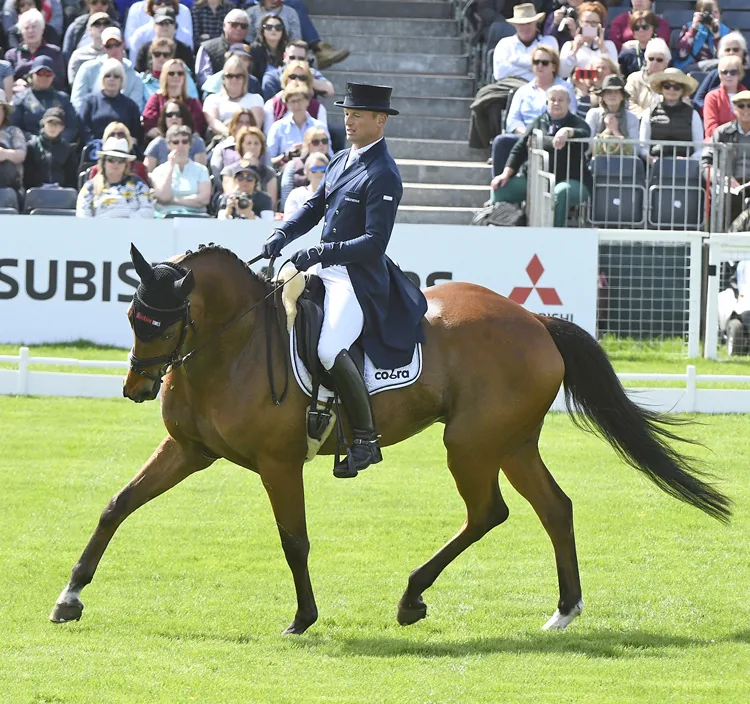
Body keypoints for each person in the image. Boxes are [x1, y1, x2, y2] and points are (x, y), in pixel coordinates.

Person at [261, 82, 428, 478]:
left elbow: (373, 243)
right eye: (346, 113)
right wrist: (281, 234)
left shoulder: (384, 173)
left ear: (380, 120)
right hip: (325, 269)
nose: (348, 120)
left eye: (357, 115)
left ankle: (366, 440)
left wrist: (318, 253)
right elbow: (314, 207)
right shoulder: (340, 159)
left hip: (355, 279)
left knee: (328, 348)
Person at [490, 85, 592, 228]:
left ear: (568, 103)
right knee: (500, 188)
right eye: (553, 100)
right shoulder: (537, 122)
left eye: (561, 100)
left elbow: (584, 133)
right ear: (546, 103)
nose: (556, 103)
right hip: (535, 180)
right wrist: (505, 174)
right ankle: (498, 229)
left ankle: (554, 237)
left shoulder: (577, 123)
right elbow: (519, 149)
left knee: (559, 193)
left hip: (571, 180)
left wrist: (567, 132)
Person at [491, 46, 576, 178]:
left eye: (545, 63)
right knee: (501, 142)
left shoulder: (566, 88)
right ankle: (501, 192)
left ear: (554, 67)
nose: (540, 66)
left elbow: (572, 114)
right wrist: (527, 134)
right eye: (536, 62)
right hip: (526, 137)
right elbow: (513, 121)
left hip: (553, 137)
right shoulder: (522, 91)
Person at [71, 27, 146, 112]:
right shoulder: (87, 68)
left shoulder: (135, 77)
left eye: (117, 44)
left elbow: (135, 109)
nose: (114, 49)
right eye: (109, 46)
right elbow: (77, 101)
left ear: (123, 44)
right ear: (103, 48)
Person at [76, 136, 154, 217]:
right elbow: (83, 215)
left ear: (126, 164)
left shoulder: (138, 184)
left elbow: (148, 209)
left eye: (121, 160)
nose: (116, 164)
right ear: (103, 162)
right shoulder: (90, 187)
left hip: (132, 228)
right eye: (111, 159)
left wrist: (127, 223)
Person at [702, 90, 750, 223]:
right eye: (741, 106)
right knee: (726, 199)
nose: (746, 109)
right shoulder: (722, 133)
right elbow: (706, 163)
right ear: (734, 109)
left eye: (749, 105)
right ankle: (719, 240)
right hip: (730, 185)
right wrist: (721, 178)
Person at [639, 67, 702, 161]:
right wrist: (650, 158)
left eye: (677, 87)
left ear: (682, 90)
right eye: (667, 86)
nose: (671, 90)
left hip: (685, 166)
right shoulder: (649, 112)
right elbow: (643, 145)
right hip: (656, 164)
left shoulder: (693, 114)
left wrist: (688, 160)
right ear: (661, 88)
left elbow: (699, 147)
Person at [77, 57, 143, 145]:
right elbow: (83, 128)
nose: (112, 79)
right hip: (94, 149)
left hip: (122, 150)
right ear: (102, 79)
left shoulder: (131, 106)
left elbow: (135, 134)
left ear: (122, 80)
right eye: (107, 75)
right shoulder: (89, 102)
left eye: (116, 76)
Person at [266, 80, 330, 168]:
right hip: (286, 173)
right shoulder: (278, 127)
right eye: (292, 101)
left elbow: (330, 157)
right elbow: (268, 161)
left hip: (316, 171)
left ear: (308, 101)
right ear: (287, 104)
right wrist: (286, 156)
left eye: (300, 100)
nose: (296, 105)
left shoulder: (320, 127)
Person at [12, 55, 76, 142]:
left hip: (59, 147)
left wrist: (58, 141)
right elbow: (15, 127)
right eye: (40, 73)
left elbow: (72, 126)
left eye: (48, 74)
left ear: (53, 76)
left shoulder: (63, 99)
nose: (43, 77)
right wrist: (37, 142)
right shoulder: (19, 99)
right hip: (29, 147)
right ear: (31, 75)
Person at [150, 123, 211, 216]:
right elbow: (163, 198)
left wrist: (174, 200)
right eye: (175, 142)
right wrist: (171, 166)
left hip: (196, 216)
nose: (180, 145)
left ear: (190, 144)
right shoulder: (159, 171)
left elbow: (204, 199)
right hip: (166, 216)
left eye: (185, 141)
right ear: (169, 145)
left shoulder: (201, 170)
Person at [211, 122, 276, 204]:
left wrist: (254, 169)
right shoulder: (229, 171)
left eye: (256, 143)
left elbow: (271, 203)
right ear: (241, 146)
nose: (252, 147)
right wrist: (245, 166)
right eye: (249, 143)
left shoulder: (269, 173)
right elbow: (230, 194)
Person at [493, 4, 558, 83]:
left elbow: (550, 71)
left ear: (536, 23)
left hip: (541, 90)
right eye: (521, 24)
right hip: (507, 90)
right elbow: (499, 74)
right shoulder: (504, 44)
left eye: (529, 23)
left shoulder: (549, 41)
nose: (525, 27)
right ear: (515, 25)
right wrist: (534, 67)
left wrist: (514, 61)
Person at [202, 54, 264, 137]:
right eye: (230, 76)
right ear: (223, 78)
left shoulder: (256, 99)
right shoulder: (212, 99)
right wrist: (230, 134)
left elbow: (256, 125)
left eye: (238, 76)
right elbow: (213, 122)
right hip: (221, 141)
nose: (234, 79)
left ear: (245, 78)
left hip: (248, 141)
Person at [142, 58, 206, 138]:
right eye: (171, 73)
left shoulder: (193, 103)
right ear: (165, 76)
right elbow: (149, 126)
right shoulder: (156, 99)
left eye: (180, 73)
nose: (176, 76)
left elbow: (198, 128)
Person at [5, 9, 65, 90]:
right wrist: (15, 83)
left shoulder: (54, 52)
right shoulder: (12, 55)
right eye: (26, 28)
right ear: (21, 32)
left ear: (42, 30)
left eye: (34, 27)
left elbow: (60, 81)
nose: (30, 31)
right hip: (19, 95)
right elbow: (5, 81)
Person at [262, 59, 327, 133]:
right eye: (292, 77)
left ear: (308, 82)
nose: (297, 80)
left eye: (302, 78)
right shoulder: (271, 105)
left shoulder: (319, 108)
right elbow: (268, 137)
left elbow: (324, 139)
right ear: (286, 79)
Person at [261, 39, 334, 102]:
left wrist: (307, 78)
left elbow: (330, 91)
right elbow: (271, 105)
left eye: (301, 58)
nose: (296, 61)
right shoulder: (272, 76)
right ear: (284, 57)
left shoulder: (311, 73)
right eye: (292, 58)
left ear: (307, 60)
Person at [144, 98, 206, 171]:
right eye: (169, 115)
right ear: (164, 118)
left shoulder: (197, 142)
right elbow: (147, 173)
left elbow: (201, 173)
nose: (174, 118)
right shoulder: (156, 144)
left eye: (178, 114)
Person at [559, 2, 617, 79]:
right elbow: (563, 73)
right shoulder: (569, 45)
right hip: (578, 87)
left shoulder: (608, 45)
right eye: (586, 22)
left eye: (594, 23)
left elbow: (614, 73)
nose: (590, 26)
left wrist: (602, 47)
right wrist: (575, 50)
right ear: (579, 22)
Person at [694, 32, 749, 113]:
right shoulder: (714, 74)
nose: (731, 52)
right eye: (727, 50)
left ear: (743, 53)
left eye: (735, 49)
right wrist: (711, 111)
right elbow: (698, 100)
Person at [23, 106, 77, 187]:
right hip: (36, 193)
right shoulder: (31, 147)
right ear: (43, 124)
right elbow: (27, 176)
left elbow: (72, 177)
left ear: (62, 127)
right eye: (50, 123)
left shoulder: (68, 149)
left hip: (62, 193)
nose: (53, 127)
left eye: (57, 124)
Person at [585, 74, 639, 155]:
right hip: (596, 162)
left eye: (616, 92)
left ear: (622, 96)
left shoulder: (632, 118)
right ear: (602, 96)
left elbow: (634, 150)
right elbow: (587, 147)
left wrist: (615, 131)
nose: (612, 95)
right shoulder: (593, 114)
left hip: (625, 163)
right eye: (608, 92)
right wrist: (607, 130)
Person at [195, 8, 249, 87]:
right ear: (224, 26)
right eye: (234, 24)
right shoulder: (207, 47)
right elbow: (204, 78)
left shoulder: (252, 49)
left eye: (243, 26)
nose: (239, 28)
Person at [279, 123, 329, 207]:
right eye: (316, 142)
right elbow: (286, 190)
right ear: (307, 145)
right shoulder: (293, 164)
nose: (321, 145)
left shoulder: (335, 164)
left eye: (324, 141)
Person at [131, 6, 194, 71]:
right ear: (154, 26)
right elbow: (138, 74)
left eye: (168, 22)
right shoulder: (145, 49)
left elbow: (190, 75)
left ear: (175, 26)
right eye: (161, 23)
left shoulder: (185, 50)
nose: (165, 26)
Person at [675, 0, 730, 72]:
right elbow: (681, 55)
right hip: (690, 68)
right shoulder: (689, 27)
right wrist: (693, 30)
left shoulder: (727, 32)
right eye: (708, 13)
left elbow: (726, 59)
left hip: (717, 70)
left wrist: (716, 34)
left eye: (715, 12)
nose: (712, 17)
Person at [703, 55, 747, 138]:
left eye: (733, 72)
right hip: (717, 146)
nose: (728, 75)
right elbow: (710, 129)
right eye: (724, 72)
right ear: (719, 74)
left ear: (740, 74)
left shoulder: (748, 97)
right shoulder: (712, 97)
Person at [625, 37, 670, 118]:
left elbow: (683, 103)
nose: (654, 63)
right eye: (651, 59)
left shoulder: (673, 80)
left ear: (666, 63)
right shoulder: (634, 78)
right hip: (638, 120)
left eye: (659, 60)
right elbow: (628, 102)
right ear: (646, 60)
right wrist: (647, 117)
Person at [123, 0, 192, 51]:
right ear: (151, 5)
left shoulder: (185, 36)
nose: (163, 5)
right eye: (158, 2)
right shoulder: (140, 35)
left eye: (167, 2)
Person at [67, 11, 111, 84]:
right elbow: (74, 82)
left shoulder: (117, 52)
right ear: (89, 30)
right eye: (97, 24)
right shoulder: (78, 55)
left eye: (106, 24)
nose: (102, 27)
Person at [571, 54, 619, 118]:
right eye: (597, 68)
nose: (600, 71)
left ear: (611, 72)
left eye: (603, 68)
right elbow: (581, 117)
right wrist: (583, 92)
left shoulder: (618, 91)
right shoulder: (584, 90)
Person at [248, 11, 288, 85]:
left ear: (283, 31)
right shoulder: (255, 49)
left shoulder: (288, 49)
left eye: (278, 27)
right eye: (269, 27)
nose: (273, 30)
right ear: (262, 31)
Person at [283, 150, 326, 219]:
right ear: (306, 172)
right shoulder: (296, 194)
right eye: (314, 169)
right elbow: (289, 220)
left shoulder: (333, 196)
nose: (319, 172)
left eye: (323, 168)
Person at [0, 89, 27, 194]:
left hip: (10, 189)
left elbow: (21, 155)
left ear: (4, 112)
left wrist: (4, 154)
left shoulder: (13, 132)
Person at [617, 10, 658, 79]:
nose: (641, 30)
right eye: (636, 28)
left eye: (645, 27)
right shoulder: (626, 55)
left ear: (653, 29)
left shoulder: (661, 52)